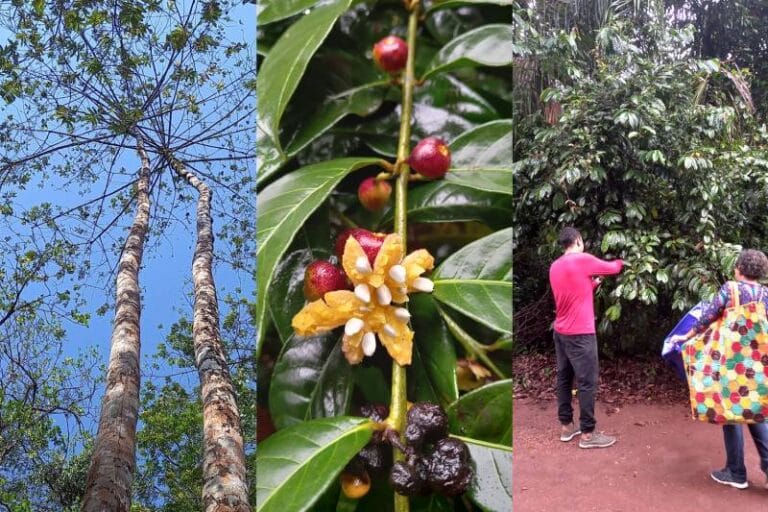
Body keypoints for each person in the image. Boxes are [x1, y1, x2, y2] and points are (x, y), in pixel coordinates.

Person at [669, 248, 768, 489]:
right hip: (756, 363)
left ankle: (736, 472)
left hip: (731, 362)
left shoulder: (730, 289)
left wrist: (685, 336)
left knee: (731, 410)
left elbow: (707, 317)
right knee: (756, 410)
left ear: (739, 268)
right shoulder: (765, 294)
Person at [549, 227, 624, 449]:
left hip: (561, 332)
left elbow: (571, 293)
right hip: (580, 334)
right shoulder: (583, 260)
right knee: (587, 382)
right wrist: (624, 261)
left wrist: (594, 283)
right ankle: (588, 434)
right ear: (578, 240)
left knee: (564, 378)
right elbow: (613, 267)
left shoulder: (555, 266)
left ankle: (566, 426)